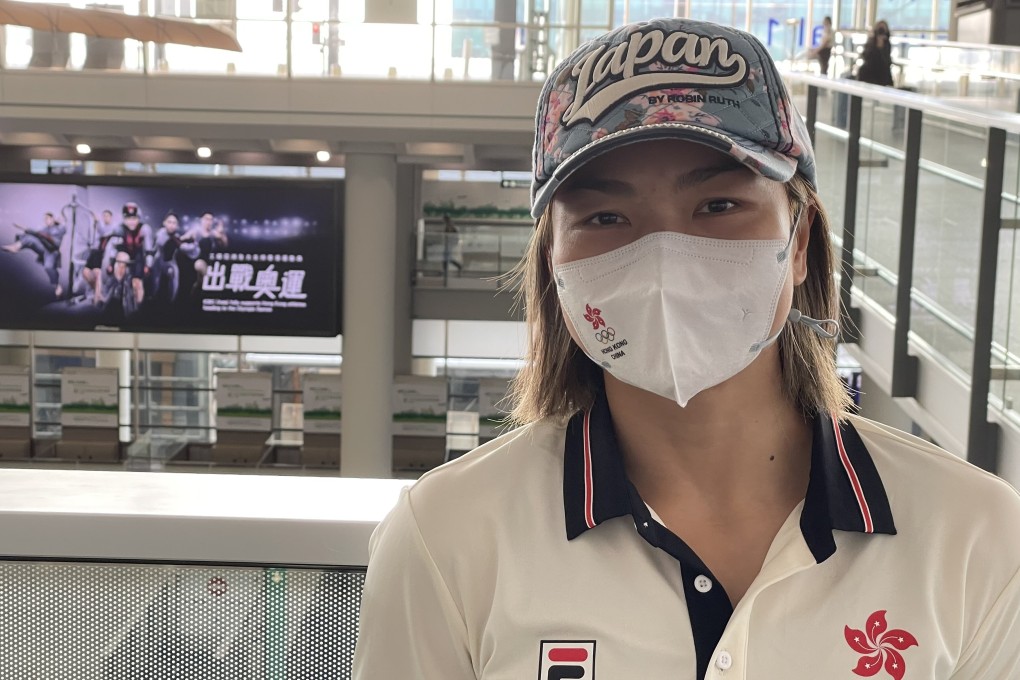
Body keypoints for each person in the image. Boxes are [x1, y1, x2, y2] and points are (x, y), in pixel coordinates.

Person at [352, 17, 1020, 680]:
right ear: (554, 260)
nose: (664, 256)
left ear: (801, 240)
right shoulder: (446, 538)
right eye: (605, 218)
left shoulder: (975, 536)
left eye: (719, 205)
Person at [2, 211, 67, 297]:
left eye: (47, 219)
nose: (46, 221)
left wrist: (60, 222)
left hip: (52, 252)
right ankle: (16, 247)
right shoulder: (45, 229)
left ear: (52, 219)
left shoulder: (60, 228)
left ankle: (57, 286)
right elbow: (36, 233)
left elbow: (56, 237)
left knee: (49, 268)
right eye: (45, 219)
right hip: (44, 249)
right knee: (30, 238)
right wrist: (23, 228)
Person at [82, 209, 118, 303]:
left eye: (107, 216)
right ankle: (98, 292)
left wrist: (97, 222)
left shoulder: (113, 227)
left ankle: (97, 296)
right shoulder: (99, 227)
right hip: (95, 251)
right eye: (104, 216)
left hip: (104, 254)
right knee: (85, 272)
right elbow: (93, 238)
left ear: (111, 217)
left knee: (97, 273)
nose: (105, 218)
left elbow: (104, 232)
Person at [96, 248, 141, 323]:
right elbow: (102, 300)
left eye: (125, 265)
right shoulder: (109, 282)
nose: (121, 268)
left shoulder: (131, 284)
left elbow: (134, 306)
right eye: (119, 264)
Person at [856, 19, 894, 86]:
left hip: (882, 73)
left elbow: (886, 61)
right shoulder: (870, 42)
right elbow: (866, 57)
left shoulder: (887, 44)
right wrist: (876, 46)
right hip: (869, 72)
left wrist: (881, 47)